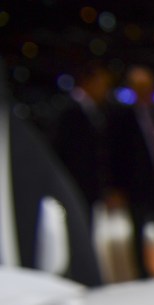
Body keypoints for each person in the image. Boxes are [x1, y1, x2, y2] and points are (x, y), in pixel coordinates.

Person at [110, 65, 154, 278]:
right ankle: (142, 273)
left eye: (148, 85)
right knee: (138, 232)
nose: (146, 90)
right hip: (137, 185)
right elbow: (116, 156)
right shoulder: (124, 119)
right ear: (132, 89)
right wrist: (117, 188)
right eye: (140, 86)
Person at [53, 62, 113, 234]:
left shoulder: (94, 111)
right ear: (89, 82)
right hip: (75, 186)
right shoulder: (69, 111)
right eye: (102, 84)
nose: (105, 90)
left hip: (88, 187)